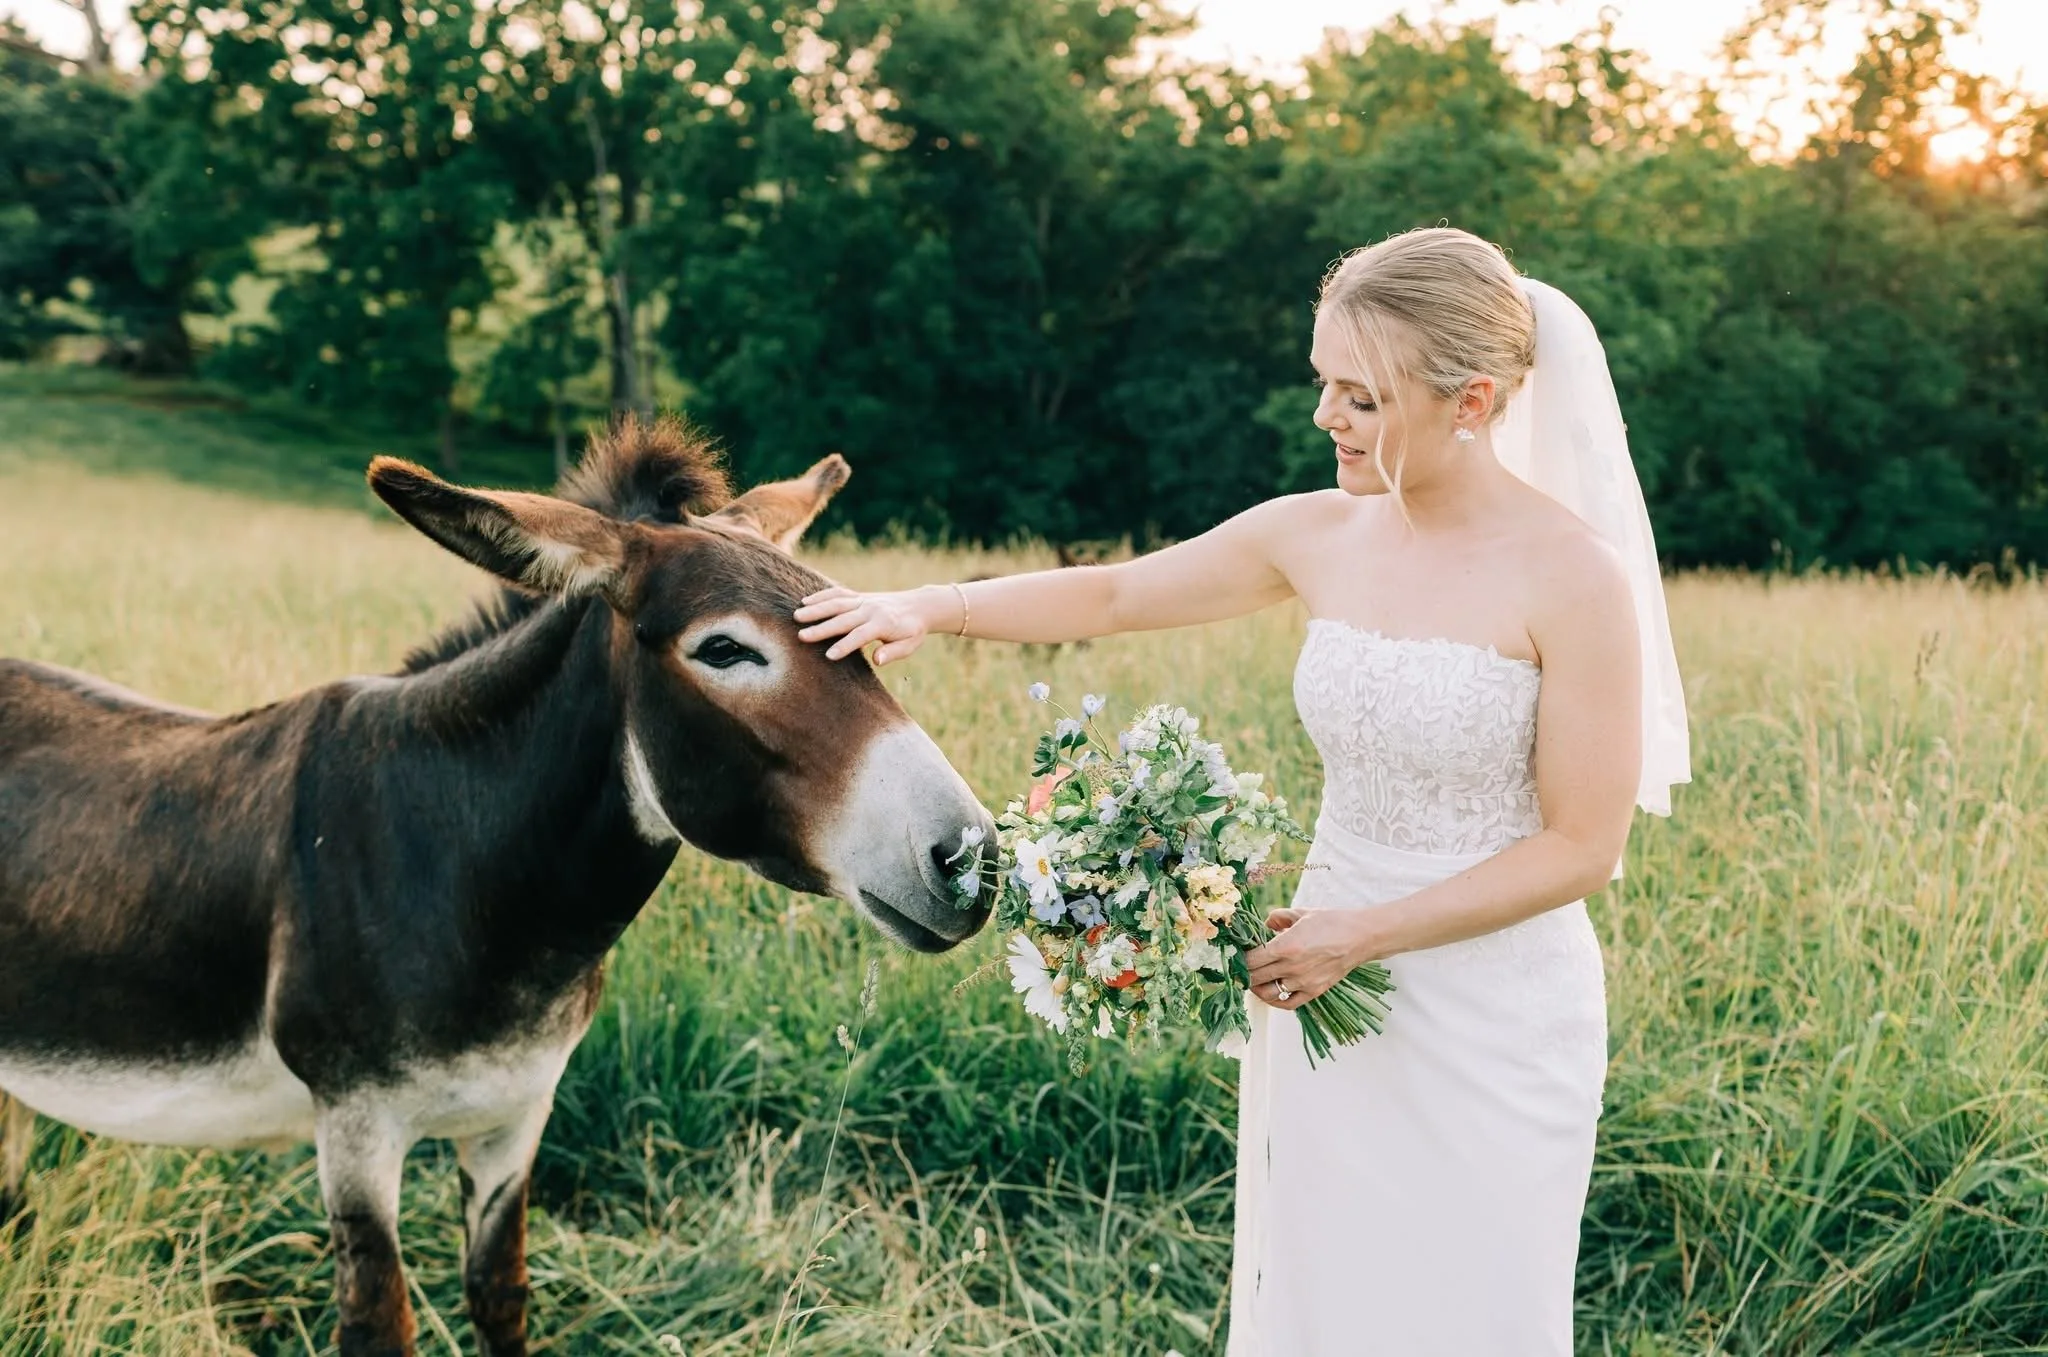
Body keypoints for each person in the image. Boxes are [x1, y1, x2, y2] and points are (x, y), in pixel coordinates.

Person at [793, 226, 1690, 1355]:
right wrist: (926, 605)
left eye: (1359, 398)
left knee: (1471, 1310)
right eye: (1321, 383)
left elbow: (1579, 848)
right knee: (1329, 1297)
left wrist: (1360, 935)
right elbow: (1117, 595)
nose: (1325, 418)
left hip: (1490, 1014)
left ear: (1469, 402)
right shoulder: (1314, 534)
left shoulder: (1572, 578)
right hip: (1319, 996)